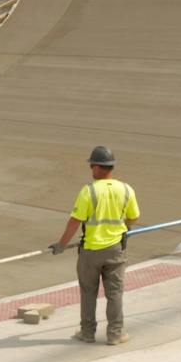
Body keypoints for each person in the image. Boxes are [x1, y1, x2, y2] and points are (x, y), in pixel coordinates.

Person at [48, 145, 141, 345]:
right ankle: (115, 334)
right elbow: (133, 217)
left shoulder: (88, 191)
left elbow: (75, 221)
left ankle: (87, 332)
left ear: (99, 167)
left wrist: (61, 244)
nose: (91, 170)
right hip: (116, 250)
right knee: (114, 293)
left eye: (92, 166)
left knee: (89, 292)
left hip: (91, 252)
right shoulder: (126, 189)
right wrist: (123, 229)